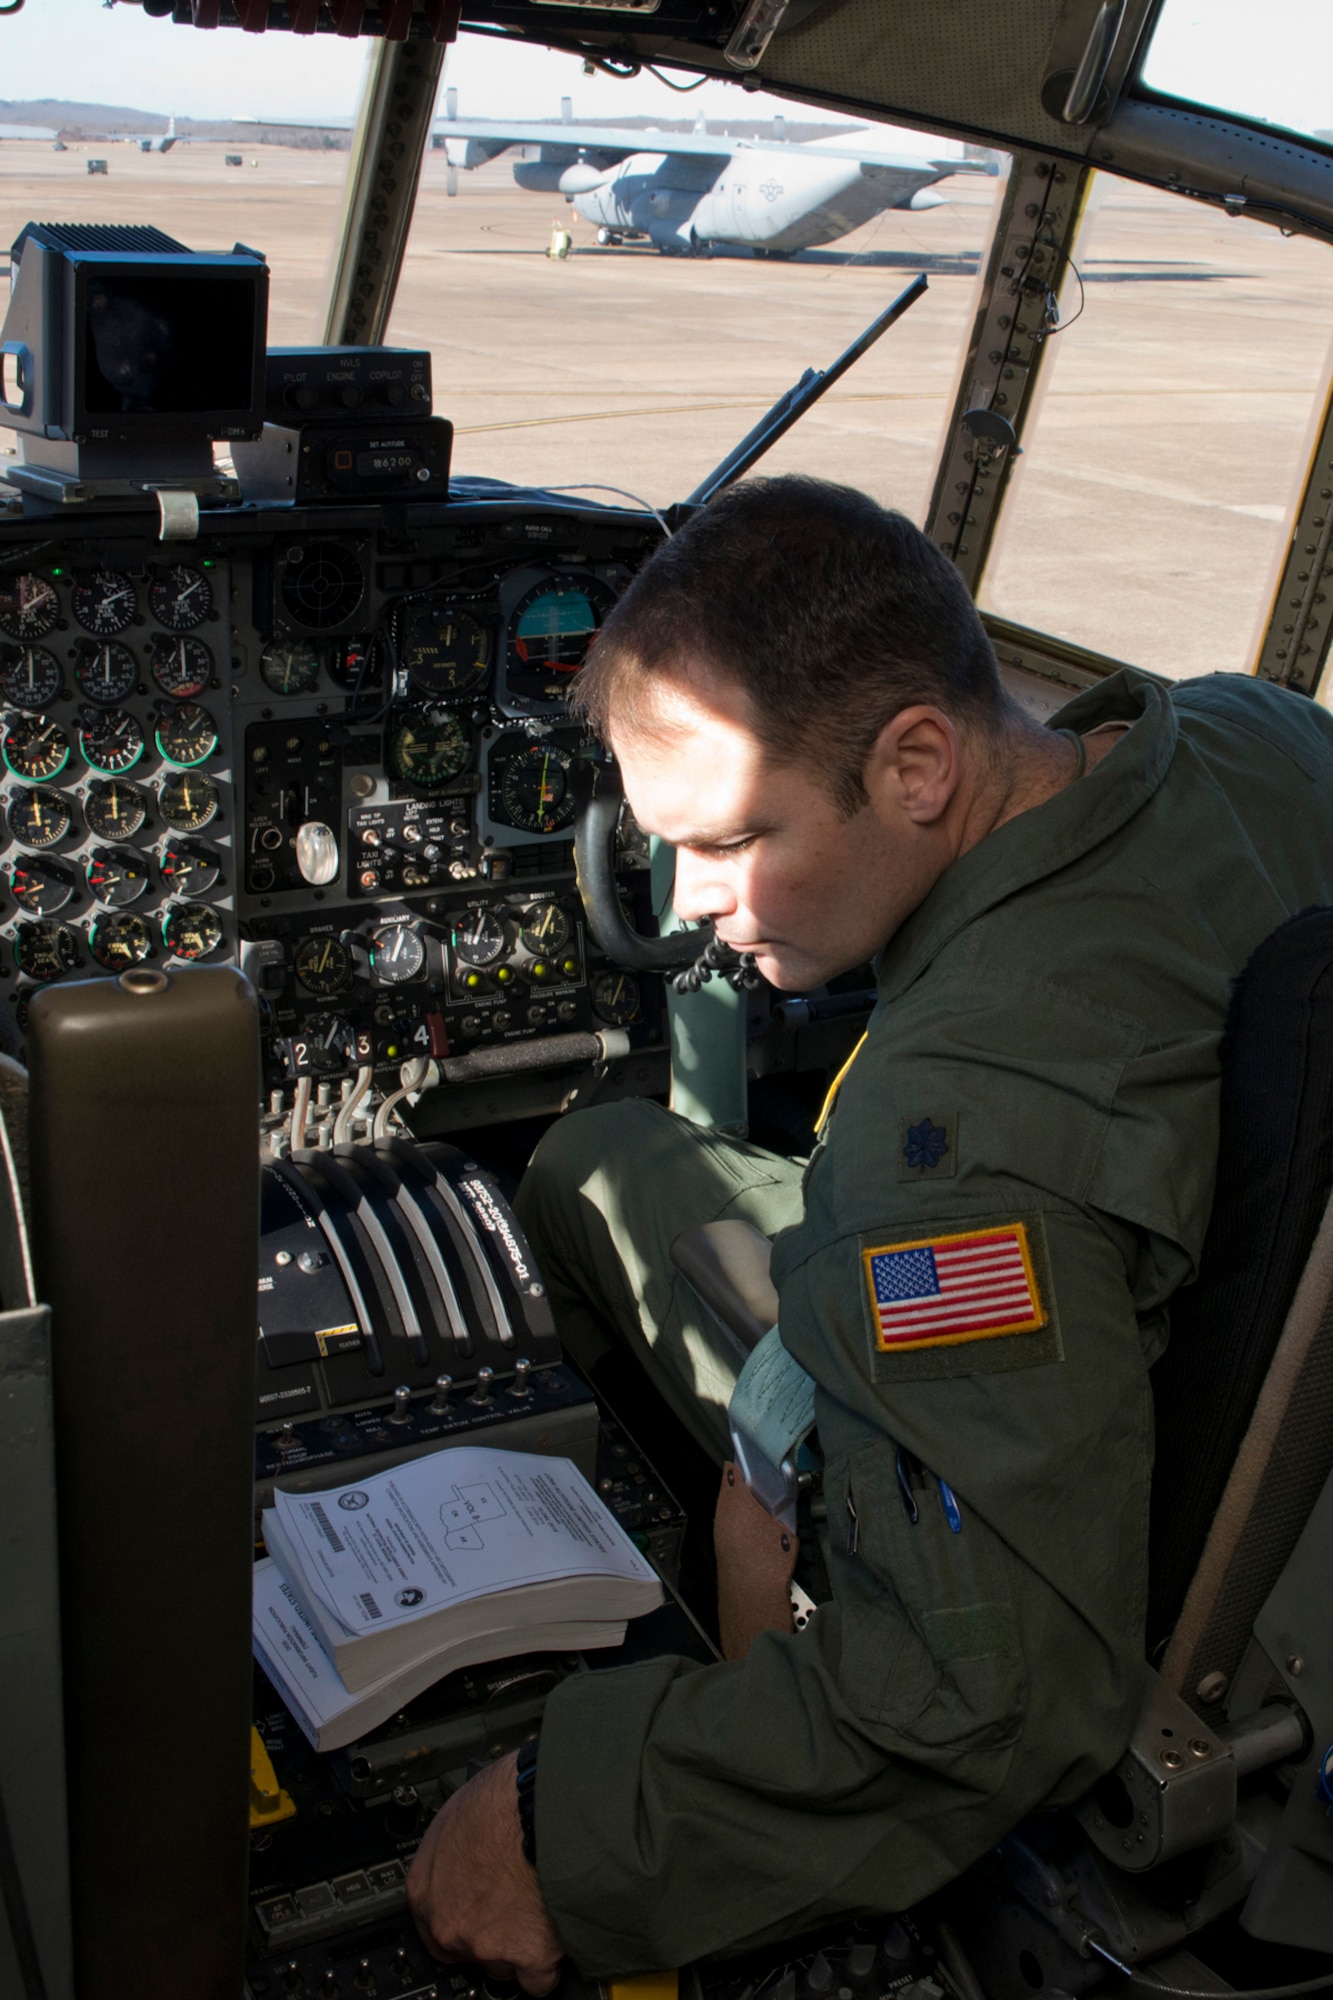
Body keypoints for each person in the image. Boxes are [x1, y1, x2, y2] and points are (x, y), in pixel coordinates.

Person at [407, 476, 1333, 1989]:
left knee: (586, 1157)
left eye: (730, 842)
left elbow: (986, 1697)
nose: (690, 901)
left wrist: (562, 1822)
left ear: (916, 762)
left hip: (1089, 1523)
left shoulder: (948, 1141)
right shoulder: (1259, 734)